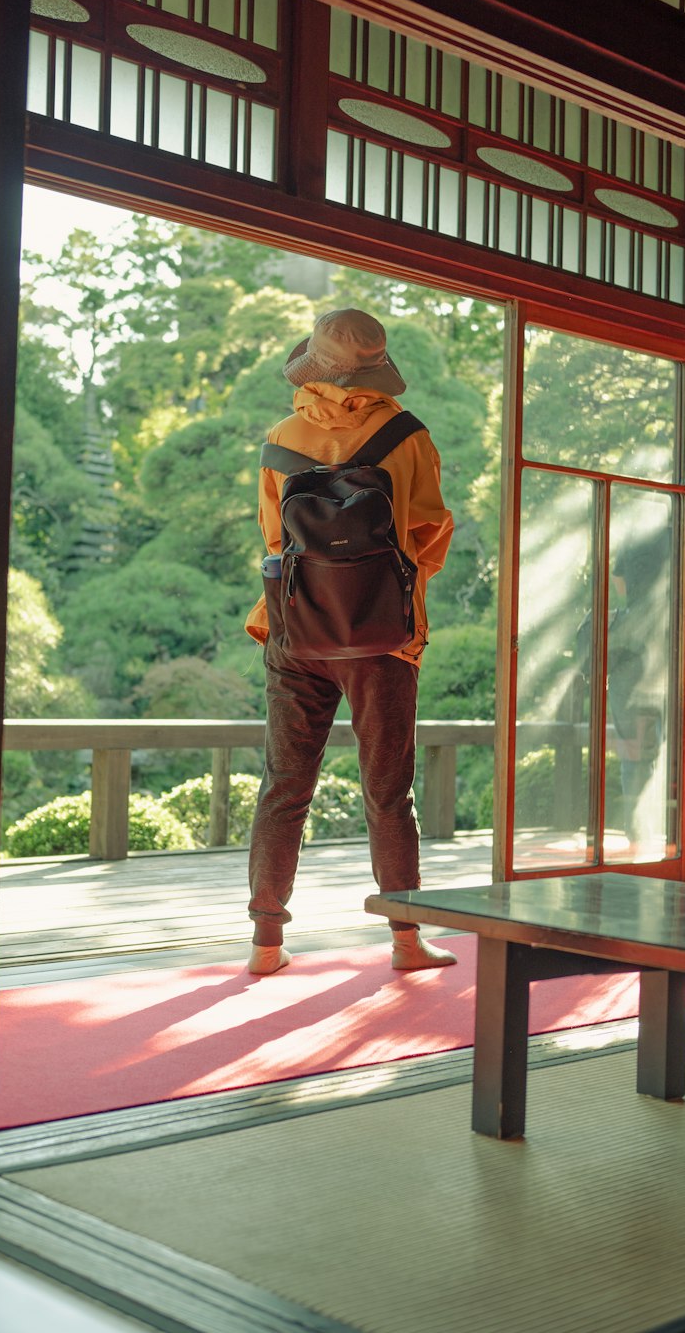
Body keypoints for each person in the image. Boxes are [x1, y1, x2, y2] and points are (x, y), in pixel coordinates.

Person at [243, 308, 456, 976]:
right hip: (382, 638)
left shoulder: (281, 436)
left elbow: (275, 540)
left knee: (284, 787)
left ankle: (266, 945)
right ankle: (405, 940)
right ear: (375, 367)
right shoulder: (407, 436)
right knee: (388, 793)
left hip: (297, 632)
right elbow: (427, 532)